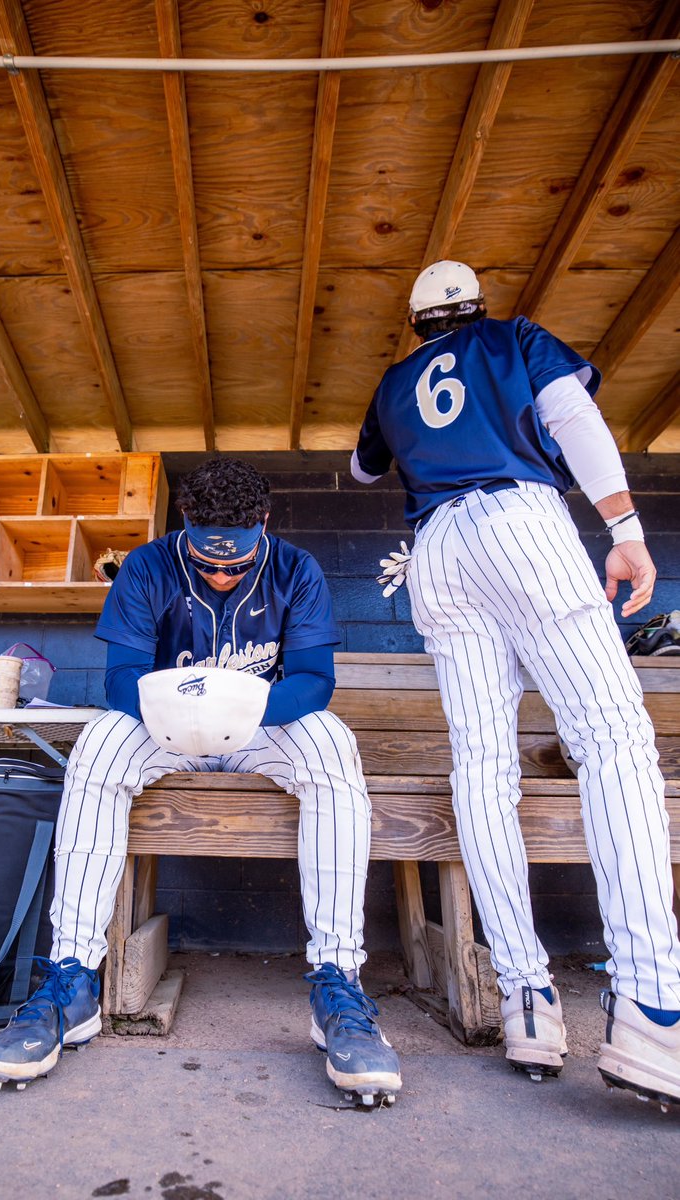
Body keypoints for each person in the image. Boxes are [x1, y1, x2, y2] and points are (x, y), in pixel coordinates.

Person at [351, 259, 680, 1108]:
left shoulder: (394, 381)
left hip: (438, 551)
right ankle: (650, 999)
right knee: (613, 738)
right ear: (475, 309)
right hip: (516, 519)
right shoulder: (513, 338)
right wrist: (626, 527)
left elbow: (361, 472)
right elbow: (571, 413)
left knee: (483, 766)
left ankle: (526, 996)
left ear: (421, 322)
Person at [0, 457, 402, 1106]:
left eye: (237, 561)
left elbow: (314, 682)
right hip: (164, 725)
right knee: (97, 744)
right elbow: (120, 682)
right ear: (187, 526)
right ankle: (71, 979)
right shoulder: (148, 566)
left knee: (333, 745)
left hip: (259, 727)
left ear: (264, 522)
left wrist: (242, 712)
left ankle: (337, 980)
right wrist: (182, 714)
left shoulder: (295, 569)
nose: (224, 572)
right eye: (210, 562)